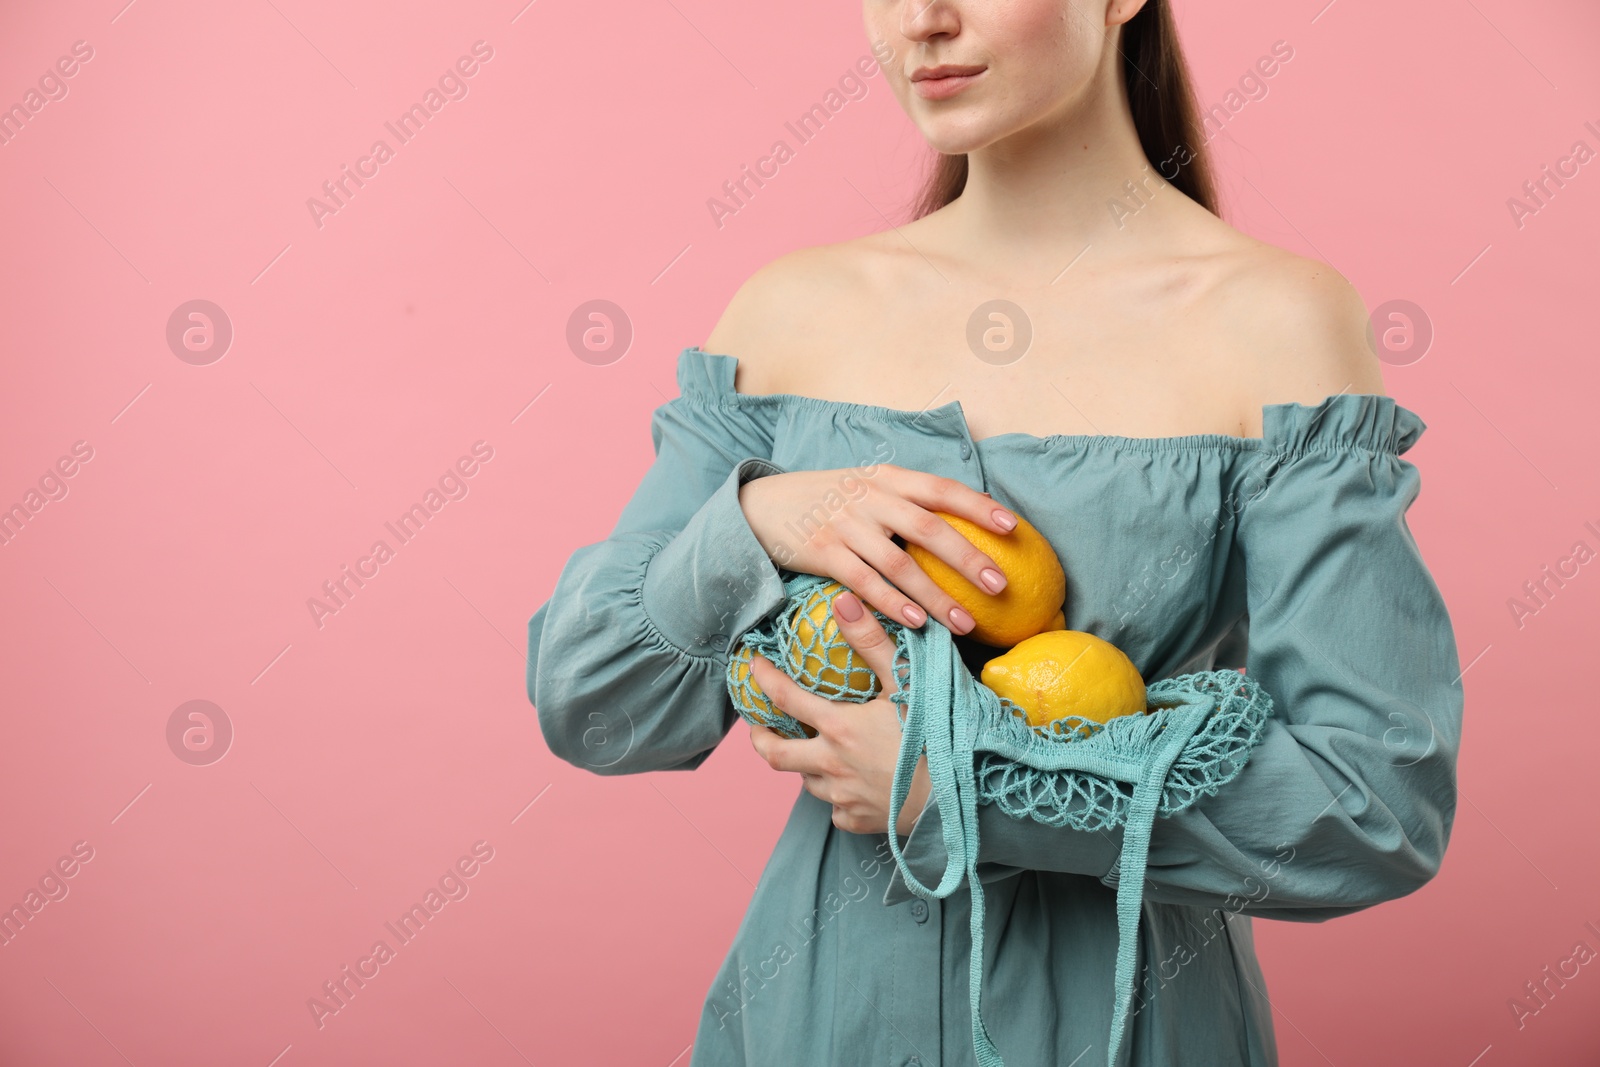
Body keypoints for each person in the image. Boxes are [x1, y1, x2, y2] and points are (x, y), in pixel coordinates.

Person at [525, 0, 1464, 1063]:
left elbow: (1374, 803)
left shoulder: (1275, 322)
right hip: (812, 1019)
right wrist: (755, 519)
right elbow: (595, 704)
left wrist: (964, 788)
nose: (920, 21)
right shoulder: (791, 315)